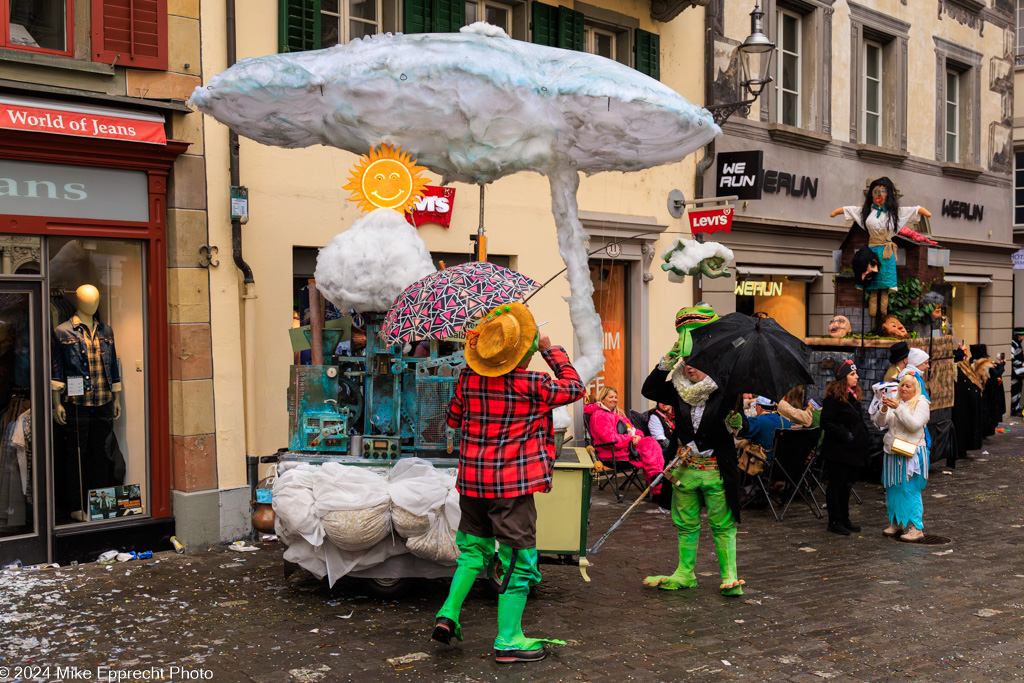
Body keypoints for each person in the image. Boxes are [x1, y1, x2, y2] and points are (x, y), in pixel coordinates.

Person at [432, 302, 584, 663]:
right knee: (518, 559)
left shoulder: (468, 379)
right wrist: (551, 349)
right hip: (511, 487)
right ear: (524, 352)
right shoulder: (533, 383)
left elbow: (453, 419)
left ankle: (448, 615)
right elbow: (575, 387)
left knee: (474, 552)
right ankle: (509, 640)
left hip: (471, 483)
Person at [641, 312, 745, 597]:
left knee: (722, 524)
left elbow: (742, 423)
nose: (689, 368)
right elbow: (649, 389)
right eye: (687, 362)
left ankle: (729, 576)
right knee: (685, 524)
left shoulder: (726, 390)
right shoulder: (677, 387)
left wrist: (738, 423)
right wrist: (667, 361)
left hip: (716, 470)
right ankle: (685, 572)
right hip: (684, 470)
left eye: (696, 363)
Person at [829, 177, 935, 319]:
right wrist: (836, 212)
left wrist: (924, 212)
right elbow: (849, 210)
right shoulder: (866, 212)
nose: (879, 195)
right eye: (876, 191)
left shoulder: (894, 213)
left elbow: (913, 210)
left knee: (885, 281)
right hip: (872, 250)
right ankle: (873, 310)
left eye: (883, 191)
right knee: (873, 279)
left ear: (888, 194)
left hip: (886, 250)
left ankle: (883, 310)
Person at [873, 373, 931, 542]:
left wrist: (898, 408)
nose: (904, 388)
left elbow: (914, 425)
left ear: (916, 388)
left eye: (908, 386)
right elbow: (880, 423)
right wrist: (883, 409)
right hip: (893, 451)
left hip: (911, 452)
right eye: (902, 385)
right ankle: (897, 522)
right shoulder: (895, 400)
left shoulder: (921, 403)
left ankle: (916, 527)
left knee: (909, 489)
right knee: (893, 488)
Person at [819, 360, 870, 536]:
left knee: (847, 486)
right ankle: (835, 521)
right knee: (836, 485)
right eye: (852, 374)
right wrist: (844, 434)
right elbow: (825, 422)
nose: (856, 377)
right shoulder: (834, 398)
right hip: (838, 450)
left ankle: (844, 518)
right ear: (843, 377)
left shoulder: (853, 396)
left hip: (852, 450)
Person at [584, 387, 667, 494]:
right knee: (651, 451)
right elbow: (609, 439)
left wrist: (638, 436)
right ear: (602, 399)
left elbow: (634, 429)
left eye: (615, 397)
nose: (614, 399)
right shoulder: (599, 416)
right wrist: (630, 438)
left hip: (627, 448)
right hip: (611, 453)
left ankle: (657, 483)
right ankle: (657, 485)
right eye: (610, 397)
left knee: (650, 443)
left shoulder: (619, 414)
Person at [727, 396, 792, 462]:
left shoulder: (758, 421)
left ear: (759, 407)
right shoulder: (786, 422)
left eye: (755, 407)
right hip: (780, 463)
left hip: (762, 463)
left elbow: (740, 434)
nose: (755, 409)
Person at [951, 345, 984, 466]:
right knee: (963, 426)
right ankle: (961, 449)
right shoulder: (964, 369)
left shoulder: (957, 369)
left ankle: (960, 449)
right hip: (964, 404)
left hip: (959, 404)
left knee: (960, 426)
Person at [971, 344, 1006, 438]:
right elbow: (996, 373)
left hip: (978, 390)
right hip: (988, 392)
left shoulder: (972, 362)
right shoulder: (985, 364)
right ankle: (984, 432)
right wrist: (1002, 366)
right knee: (988, 412)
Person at [1012, 329, 1024, 416]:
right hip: (1015, 372)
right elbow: (1012, 358)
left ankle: (1016, 407)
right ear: (1018, 335)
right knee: (1015, 389)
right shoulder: (1013, 344)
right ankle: (1014, 409)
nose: (1023, 337)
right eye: (1022, 335)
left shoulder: (1018, 344)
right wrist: (1021, 363)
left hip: (1019, 373)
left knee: (1018, 388)